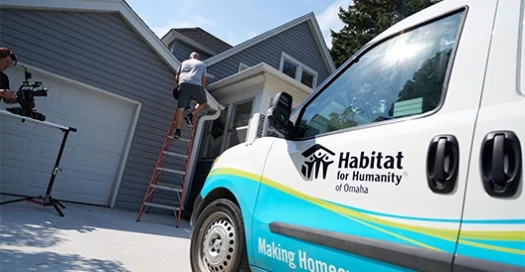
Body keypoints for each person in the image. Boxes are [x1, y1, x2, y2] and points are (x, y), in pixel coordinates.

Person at [173, 52, 208, 139]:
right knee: (203, 102)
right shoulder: (201, 64)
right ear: (197, 58)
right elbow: (203, 79)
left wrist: (179, 86)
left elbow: (176, 78)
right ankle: (191, 115)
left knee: (180, 108)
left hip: (183, 84)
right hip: (196, 85)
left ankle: (177, 131)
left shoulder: (183, 63)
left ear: (190, 57)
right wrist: (201, 90)